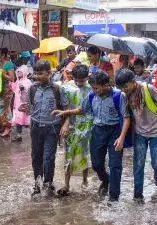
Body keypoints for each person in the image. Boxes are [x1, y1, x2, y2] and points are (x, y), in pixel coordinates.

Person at [52, 70, 130, 202]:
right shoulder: (92, 96)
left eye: (96, 88)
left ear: (105, 85)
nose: (93, 90)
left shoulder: (118, 96)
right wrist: (65, 112)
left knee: (115, 165)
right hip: (98, 131)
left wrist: (121, 138)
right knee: (96, 164)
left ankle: (113, 198)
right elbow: (82, 110)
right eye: (92, 88)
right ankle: (106, 180)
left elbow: (126, 118)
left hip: (115, 131)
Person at [116, 69, 157, 203]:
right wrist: (122, 137)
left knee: (156, 163)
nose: (124, 90)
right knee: (138, 164)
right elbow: (127, 117)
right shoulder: (125, 95)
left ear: (132, 81)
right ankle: (138, 195)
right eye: (121, 88)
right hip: (139, 133)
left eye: (125, 87)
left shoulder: (149, 89)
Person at [19, 60, 69, 197]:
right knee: (36, 157)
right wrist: (24, 109)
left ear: (49, 73)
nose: (36, 76)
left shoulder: (58, 89)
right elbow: (30, 109)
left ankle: (48, 183)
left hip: (52, 128)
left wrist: (65, 125)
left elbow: (66, 109)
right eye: (35, 73)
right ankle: (37, 182)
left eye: (40, 73)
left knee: (48, 158)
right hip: (35, 127)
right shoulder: (32, 89)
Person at [56, 64, 92, 197]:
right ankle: (66, 184)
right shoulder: (66, 88)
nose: (78, 83)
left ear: (87, 78)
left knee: (85, 153)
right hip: (71, 125)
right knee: (68, 155)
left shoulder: (91, 89)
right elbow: (64, 108)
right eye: (76, 80)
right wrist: (65, 124)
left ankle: (84, 181)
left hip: (88, 126)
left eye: (82, 81)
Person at [11, 65, 32, 142]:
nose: (18, 73)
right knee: (18, 119)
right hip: (17, 103)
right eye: (18, 71)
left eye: (20, 71)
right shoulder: (17, 81)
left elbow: (27, 91)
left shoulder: (27, 81)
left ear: (25, 72)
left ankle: (34, 134)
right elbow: (14, 90)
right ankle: (18, 135)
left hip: (24, 103)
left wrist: (22, 88)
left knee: (27, 119)